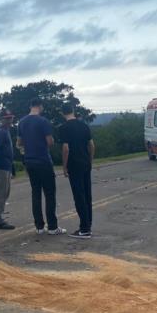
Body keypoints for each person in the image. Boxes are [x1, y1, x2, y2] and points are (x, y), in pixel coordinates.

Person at [17, 98, 66, 234]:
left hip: (30, 161)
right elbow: (49, 142)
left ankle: (39, 226)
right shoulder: (43, 121)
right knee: (49, 194)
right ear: (40, 106)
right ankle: (52, 226)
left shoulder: (22, 122)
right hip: (43, 160)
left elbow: (19, 142)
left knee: (36, 193)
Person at [58, 102, 95, 239]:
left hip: (74, 165)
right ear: (73, 111)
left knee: (78, 196)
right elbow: (91, 145)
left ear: (62, 113)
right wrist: (90, 160)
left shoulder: (63, 128)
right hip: (85, 163)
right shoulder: (84, 125)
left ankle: (84, 229)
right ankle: (88, 223)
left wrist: (64, 166)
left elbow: (66, 148)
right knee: (87, 195)